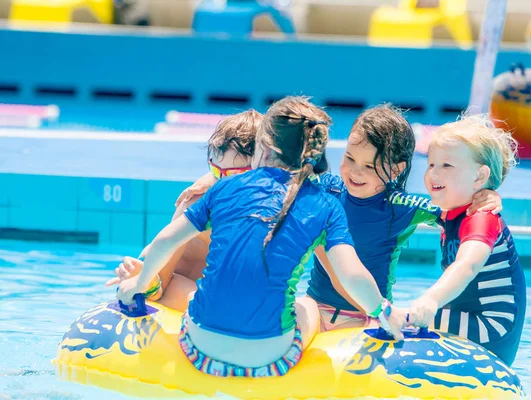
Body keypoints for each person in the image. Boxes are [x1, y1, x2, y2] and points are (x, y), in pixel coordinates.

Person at [116, 96, 408, 377]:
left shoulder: (223, 188)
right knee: (308, 306)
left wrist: (137, 286)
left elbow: (165, 242)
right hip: (269, 355)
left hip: (198, 345)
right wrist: (383, 312)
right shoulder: (325, 204)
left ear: (263, 147)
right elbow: (352, 273)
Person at [106, 110, 262, 311]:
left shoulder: (272, 205)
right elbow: (163, 274)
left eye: (233, 175)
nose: (221, 183)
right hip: (170, 280)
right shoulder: (196, 203)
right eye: (215, 171)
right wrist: (147, 282)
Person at [408, 114, 526, 366]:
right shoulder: (451, 213)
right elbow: (404, 206)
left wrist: (431, 299)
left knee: (404, 320)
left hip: (492, 328)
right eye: (430, 164)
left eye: (447, 166)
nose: (433, 174)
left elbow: (467, 264)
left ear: (479, 177)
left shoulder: (481, 217)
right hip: (469, 319)